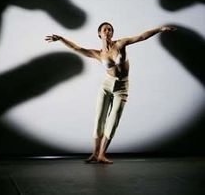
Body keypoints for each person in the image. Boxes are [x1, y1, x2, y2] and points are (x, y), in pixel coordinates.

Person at [45, 22, 176, 164]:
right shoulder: (98, 54)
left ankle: (102, 154)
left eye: (110, 30)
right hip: (106, 85)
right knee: (99, 118)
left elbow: (141, 37)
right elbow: (76, 48)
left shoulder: (120, 44)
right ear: (99, 34)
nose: (108, 31)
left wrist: (160, 29)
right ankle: (95, 154)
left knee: (113, 120)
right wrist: (61, 39)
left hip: (122, 87)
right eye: (105, 29)